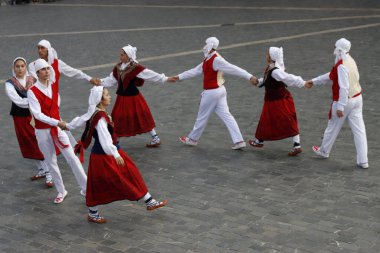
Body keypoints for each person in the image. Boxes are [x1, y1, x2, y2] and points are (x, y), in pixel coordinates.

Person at [67, 86, 167, 223]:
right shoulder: (100, 117)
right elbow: (105, 139)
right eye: (107, 95)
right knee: (102, 183)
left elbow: (80, 120)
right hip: (105, 155)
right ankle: (93, 213)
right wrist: (115, 155)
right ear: (100, 100)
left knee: (129, 174)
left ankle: (149, 201)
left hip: (108, 153)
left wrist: (67, 126)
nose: (110, 97)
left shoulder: (96, 113)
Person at [170, 37, 258, 150]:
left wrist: (249, 76)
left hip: (212, 93)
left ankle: (192, 139)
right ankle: (239, 140)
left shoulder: (216, 60)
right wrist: (179, 77)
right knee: (227, 116)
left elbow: (233, 68)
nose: (204, 46)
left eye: (205, 44)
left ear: (210, 45)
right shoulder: (208, 58)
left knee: (202, 117)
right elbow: (196, 70)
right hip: (219, 91)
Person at [27, 59, 87, 204]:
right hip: (43, 132)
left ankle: (86, 188)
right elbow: (38, 115)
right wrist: (57, 122)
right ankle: (61, 191)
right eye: (43, 69)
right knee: (51, 161)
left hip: (58, 130)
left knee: (72, 158)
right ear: (37, 73)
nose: (47, 71)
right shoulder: (32, 91)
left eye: (48, 69)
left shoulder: (53, 86)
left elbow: (56, 108)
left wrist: (60, 123)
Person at [305, 38, 368, 169]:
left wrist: (340, 106)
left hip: (345, 101)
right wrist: (315, 81)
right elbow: (332, 75)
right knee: (359, 131)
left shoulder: (341, 65)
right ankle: (363, 160)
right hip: (357, 98)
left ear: (339, 50)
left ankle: (324, 151)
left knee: (332, 126)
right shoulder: (350, 60)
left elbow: (343, 87)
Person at [97, 45, 175, 147]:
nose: (120, 56)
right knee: (118, 118)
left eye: (122, 55)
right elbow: (111, 80)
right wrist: (99, 82)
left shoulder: (135, 67)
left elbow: (150, 75)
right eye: (120, 54)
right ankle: (115, 141)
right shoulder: (118, 67)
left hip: (133, 98)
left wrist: (165, 79)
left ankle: (155, 138)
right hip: (122, 98)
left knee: (141, 116)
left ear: (129, 56)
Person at [4, 57, 53, 187]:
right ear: (13, 68)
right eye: (17, 66)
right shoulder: (10, 83)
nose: (20, 69)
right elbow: (17, 100)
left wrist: (36, 103)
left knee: (39, 141)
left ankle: (49, 172)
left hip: (35, 115)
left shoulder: (33, 79)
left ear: (26, 67)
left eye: (22, 66)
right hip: (20, 116)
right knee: (28, 142)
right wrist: (33, 101)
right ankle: (42, 169)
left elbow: (44, 91)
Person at [249, 47, 306, 156]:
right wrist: (258, 82)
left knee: (281, 119)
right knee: (274, 119)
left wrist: (302, 83)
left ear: (271, 57)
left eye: (267, 54)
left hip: (278, 100)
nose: (266, 56)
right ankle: (260, 140)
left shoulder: (276, 71)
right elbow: (267, 80)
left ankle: (260, 141)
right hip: (274, 99)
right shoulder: (271, 68)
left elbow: (289, 78)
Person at [28, 39, 98, 86]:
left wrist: (89, 78)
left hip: (54, 100)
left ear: (48, 50)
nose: (39, 50)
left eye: (42, 48)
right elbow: (36, 83)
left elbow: (74, 72)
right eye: (38, 48)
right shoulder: (32, 65)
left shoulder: (58, 63)